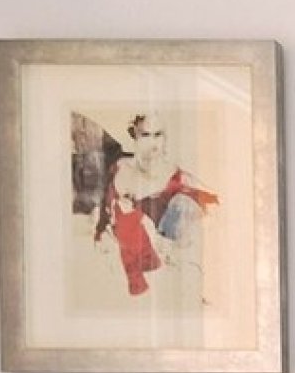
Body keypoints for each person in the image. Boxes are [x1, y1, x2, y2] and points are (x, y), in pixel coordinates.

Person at [93, 114, 220, 297]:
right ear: (135, 136)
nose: (153, 144)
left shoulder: (177, 176)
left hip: (171, 263)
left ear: (165, 139)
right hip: (131, 265)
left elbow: (215, 203)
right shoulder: (121, 170)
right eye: (145, 135)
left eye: (158, 135)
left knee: (185, 204)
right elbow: (105, 218)